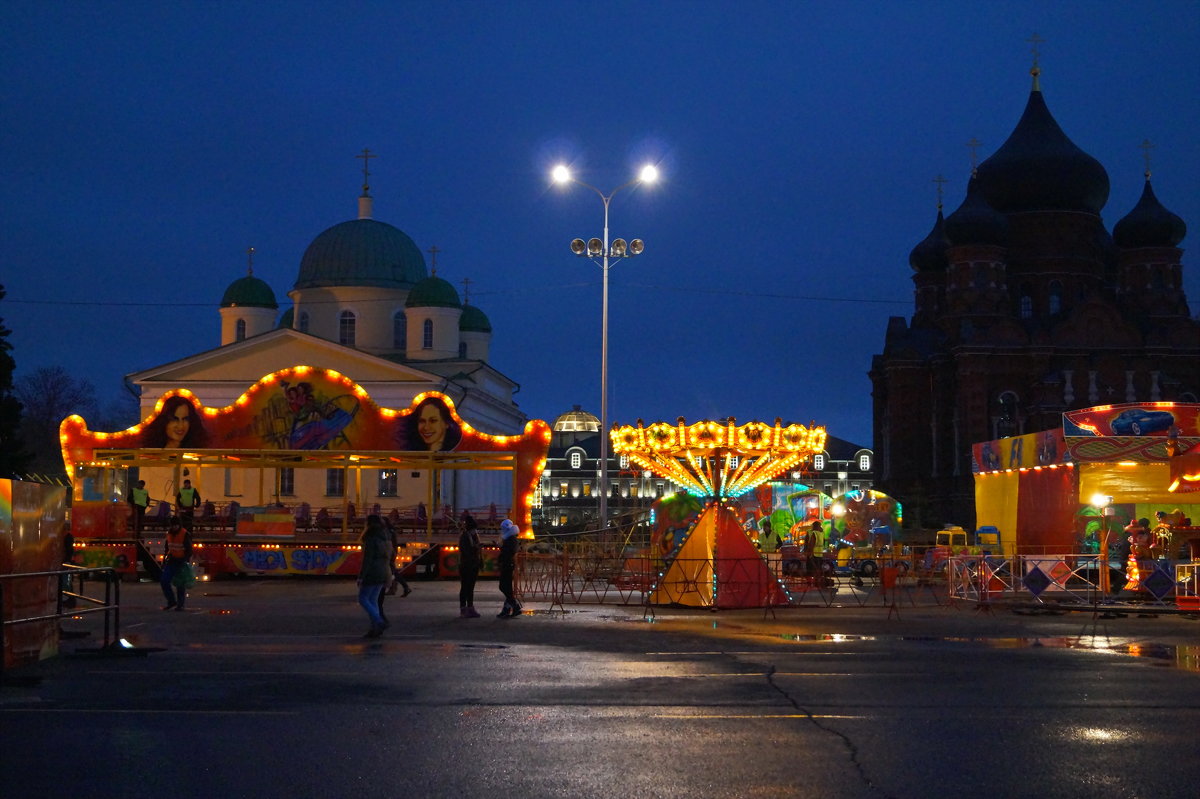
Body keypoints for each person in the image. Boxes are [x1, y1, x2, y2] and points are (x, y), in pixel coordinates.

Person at [357, 514, 392, 638]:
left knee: (363, 598)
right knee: (373, 600)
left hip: (373, 571)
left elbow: (367, 559)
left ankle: (378, 621)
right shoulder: (385, 535)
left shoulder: (370, 538)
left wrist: (361, 576)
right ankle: (375, 628)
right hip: (383, 570)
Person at [143, 395, 209, 449]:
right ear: (164, 421)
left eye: (185, 419)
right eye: (174, 419)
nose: (181, 426)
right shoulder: (150, 452)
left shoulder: (198, 453)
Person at [160, 516, 193, 611]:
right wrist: (164, 560)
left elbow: (189, 550)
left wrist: (185, 560)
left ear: (179, 525)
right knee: (164, 581)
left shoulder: (185, 534)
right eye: (173, 525)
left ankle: (180, 604)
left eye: (176, 525)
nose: (175, 527)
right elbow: (167, 548)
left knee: (180, 584)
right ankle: (172, 601)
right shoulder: (169, 534)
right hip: (172, 560)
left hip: (181, 561)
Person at [496, 518, 522, 618]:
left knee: (504, 586)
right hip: (507, 564)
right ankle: (507, 609)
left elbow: (509, 552)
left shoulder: (512, 539)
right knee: (507, 588)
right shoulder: (511, 538)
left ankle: (515, 606)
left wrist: (501, 547)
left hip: (508, 565)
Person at [458, 513, 482, 618]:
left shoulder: (472, 536)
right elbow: (466, 551)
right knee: (466, 587)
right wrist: (476, 547)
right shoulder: (465, 536)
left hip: (472, 564)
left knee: (469, 587)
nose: (475, 531)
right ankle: (466, 608)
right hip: (467, 564)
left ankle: (467, 608)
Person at [382, 518, 411, 598]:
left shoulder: (387, 532)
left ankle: (404, 587)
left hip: (389, 553)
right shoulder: (390, 531)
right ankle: (399, 587)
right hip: (392, 552)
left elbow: (389, 543)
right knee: (392, 572)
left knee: (392, 572)